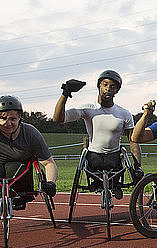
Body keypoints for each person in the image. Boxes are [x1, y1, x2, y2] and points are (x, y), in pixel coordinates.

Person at [53, 71, 142, 199]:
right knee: (93, 159)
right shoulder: (88, 109)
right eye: (105, 85)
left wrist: (138, 166)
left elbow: (133, 140)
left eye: (112, 87)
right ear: (99, 86)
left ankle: (115, 184)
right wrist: (65, 94)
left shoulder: (124, 114)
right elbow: (58, 118)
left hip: (115, 159)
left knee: (119, 162)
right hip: (94, 158)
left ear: (116, 91)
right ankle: (98, 183)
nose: (108, 89)